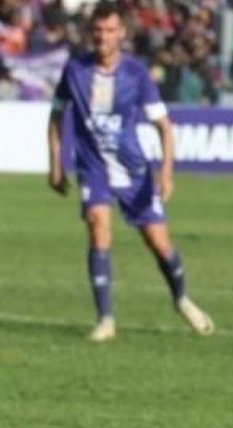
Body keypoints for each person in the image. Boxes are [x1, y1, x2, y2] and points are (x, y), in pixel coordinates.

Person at [46, 1, 214, 343]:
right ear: (90, 33)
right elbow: (56, 116)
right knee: (98, 224)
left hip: (133, 169)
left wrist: (167, 173)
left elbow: (164, 127)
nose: (103, 37)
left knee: (157, 241)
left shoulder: (136, 74)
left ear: (122, 33)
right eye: (97, 31)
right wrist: (55, 166)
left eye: (110, 31)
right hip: (93, 168)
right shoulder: (75, 70)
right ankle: (105, 319)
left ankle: (182, 298)